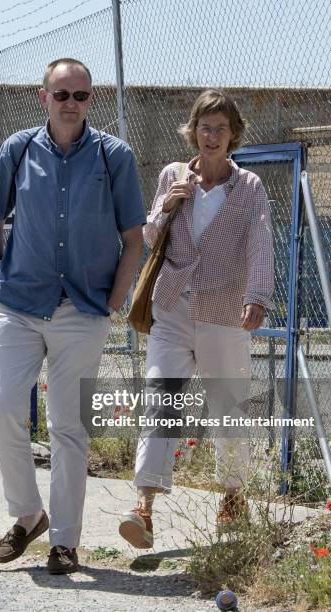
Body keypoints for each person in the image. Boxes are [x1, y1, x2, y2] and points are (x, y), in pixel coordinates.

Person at [0, 57, 145, 573]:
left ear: (91, 99)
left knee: (68, 426)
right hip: (19, 304)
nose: (71, 104)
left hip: (83, 310)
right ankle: (28, 515)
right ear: (42, 96)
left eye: (81, 95)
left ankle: (66, 542)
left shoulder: (114, 155)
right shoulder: (18, 148)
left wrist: (114, 301)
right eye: (61, 94)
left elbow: (133, 239)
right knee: (4, 407)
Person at [119, 89, 274, 548]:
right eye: (204, 127)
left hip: (225, 311)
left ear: (233, 136)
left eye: (220, 129)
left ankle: (232, 495)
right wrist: (167, 205)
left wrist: (257, 295)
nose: (211, 136)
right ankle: (143, 506)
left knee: (229, 408)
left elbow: (260, 243)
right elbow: (148, 236)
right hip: (172, 307)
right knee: (160, 402)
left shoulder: (249, 188)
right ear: (193, 130)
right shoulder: (172, 174)